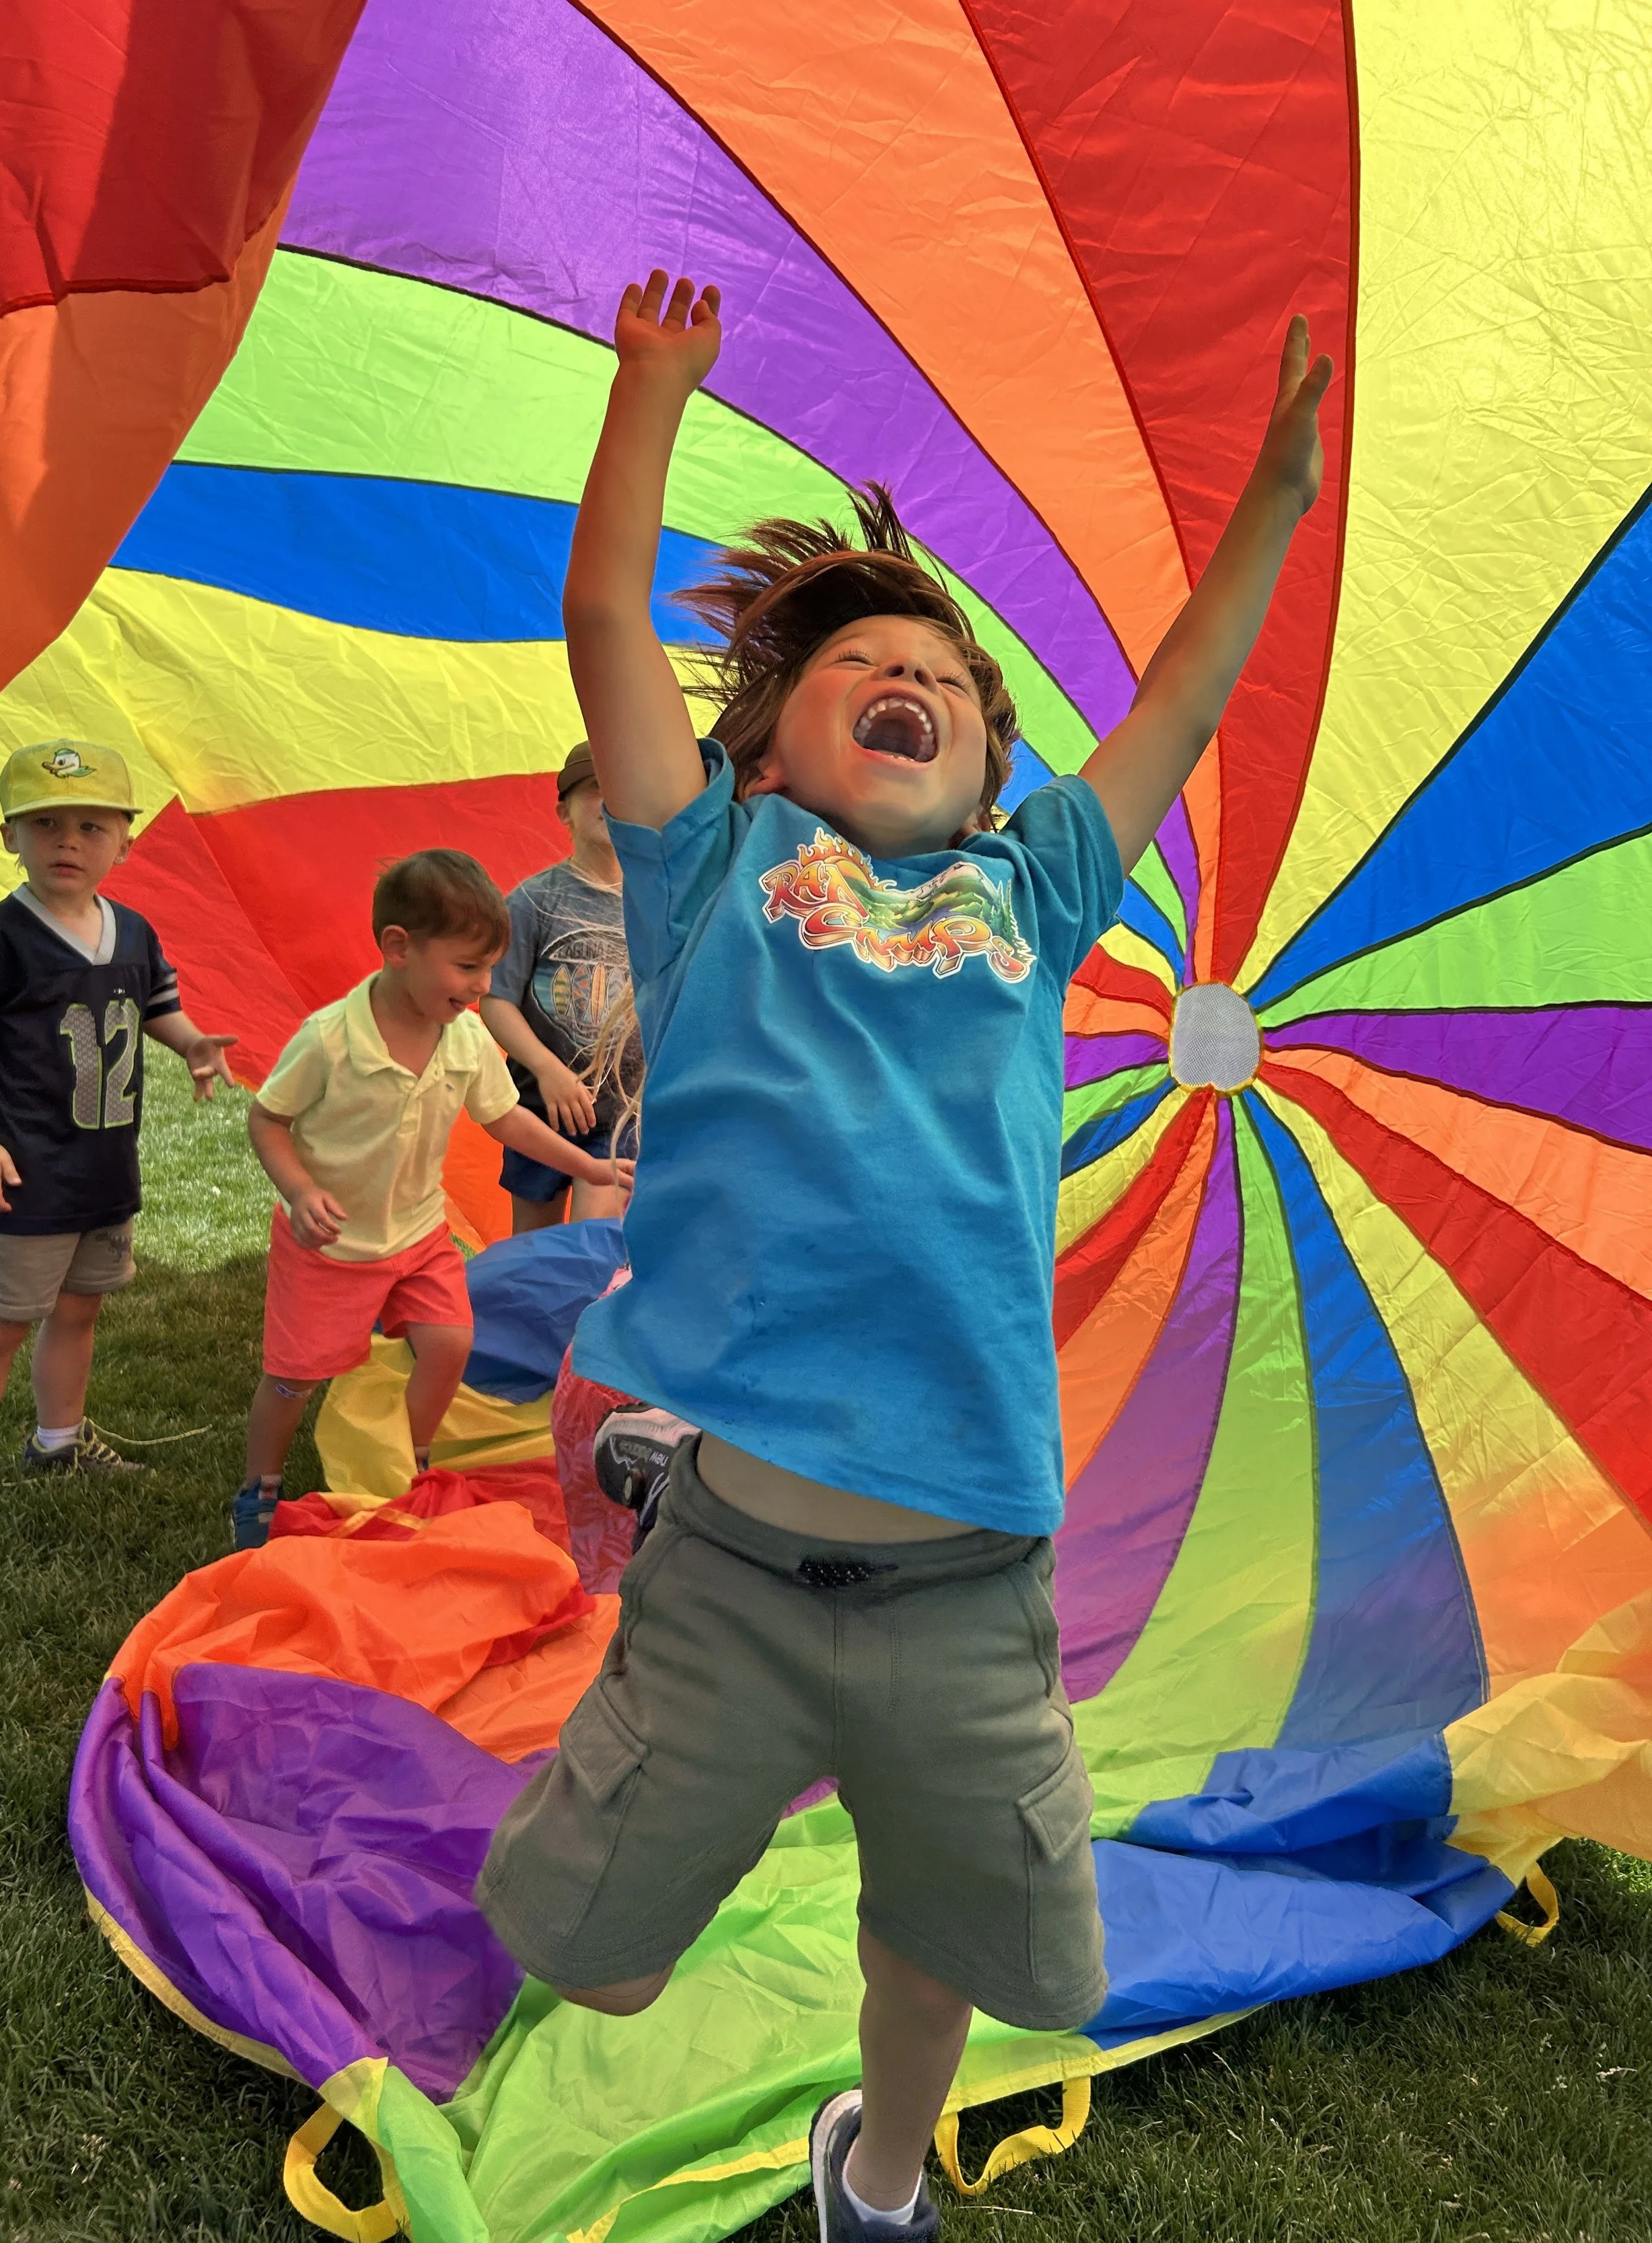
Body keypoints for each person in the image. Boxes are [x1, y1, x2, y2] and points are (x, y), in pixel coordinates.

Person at [474, 272, 1331, 2243]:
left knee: (930, 1943)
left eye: (942, 675)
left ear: (987, 761)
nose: (910, 676)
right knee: (592, 1946)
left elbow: (1179, 703)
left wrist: (1269, 506)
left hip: (961, 1573)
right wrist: (647, 398)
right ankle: (656, 1459)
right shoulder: (720, 873)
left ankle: (871, 2172)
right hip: (741, 1570)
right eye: (861, 659)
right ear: (762, 751)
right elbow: (608, 619)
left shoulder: (1028, 891)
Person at [229, 848, 634, 1550]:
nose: (482, 987)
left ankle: (411, 1459)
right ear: (399, 949)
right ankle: (258, 1489)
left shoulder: (465, 1037)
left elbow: (505, 1118)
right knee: (294, 1381)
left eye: (488, 969)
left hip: (418, 1236)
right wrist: (299, 1192)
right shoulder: (329, 1040)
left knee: (450, 1341)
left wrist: (589, 1169)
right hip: (332, 1247)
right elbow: (268, 1119)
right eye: (467, 967)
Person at [0, 740, 237, 1534]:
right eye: (45, 823)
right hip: (23, 1169)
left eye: (91, 825)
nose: (68, 842)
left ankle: (57, 1442)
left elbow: (152, 1005)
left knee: (80, 1311)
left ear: (125, 838)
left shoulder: (133, 931)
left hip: (102, 1165)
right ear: (9, 834)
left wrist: (189, 1042)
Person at [480, 742, 640, 1232]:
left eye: (622, 789)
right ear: (562, 811)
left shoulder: (654, 905)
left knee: (592, 1249)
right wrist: (547, 1069)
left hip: (621, 1111)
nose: (611, 801)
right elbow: (495, 998)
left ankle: (584, 1312)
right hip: (541, 1109)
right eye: (596, 789)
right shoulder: (534, 901)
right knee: (534, 1249)